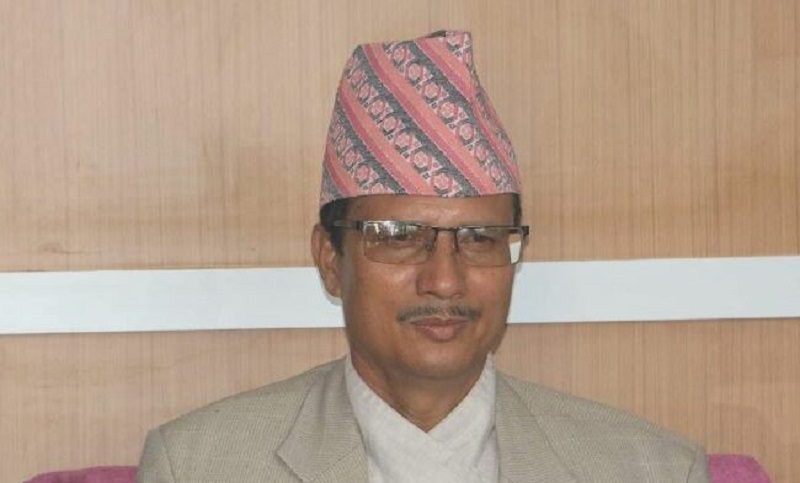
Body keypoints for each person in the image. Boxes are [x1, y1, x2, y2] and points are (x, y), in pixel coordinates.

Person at [137, 30, 709, 483]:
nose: (445, 280)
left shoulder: (649, 468)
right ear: (331, 260)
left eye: (480, 238)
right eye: (399, 236)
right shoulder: (200, 466)